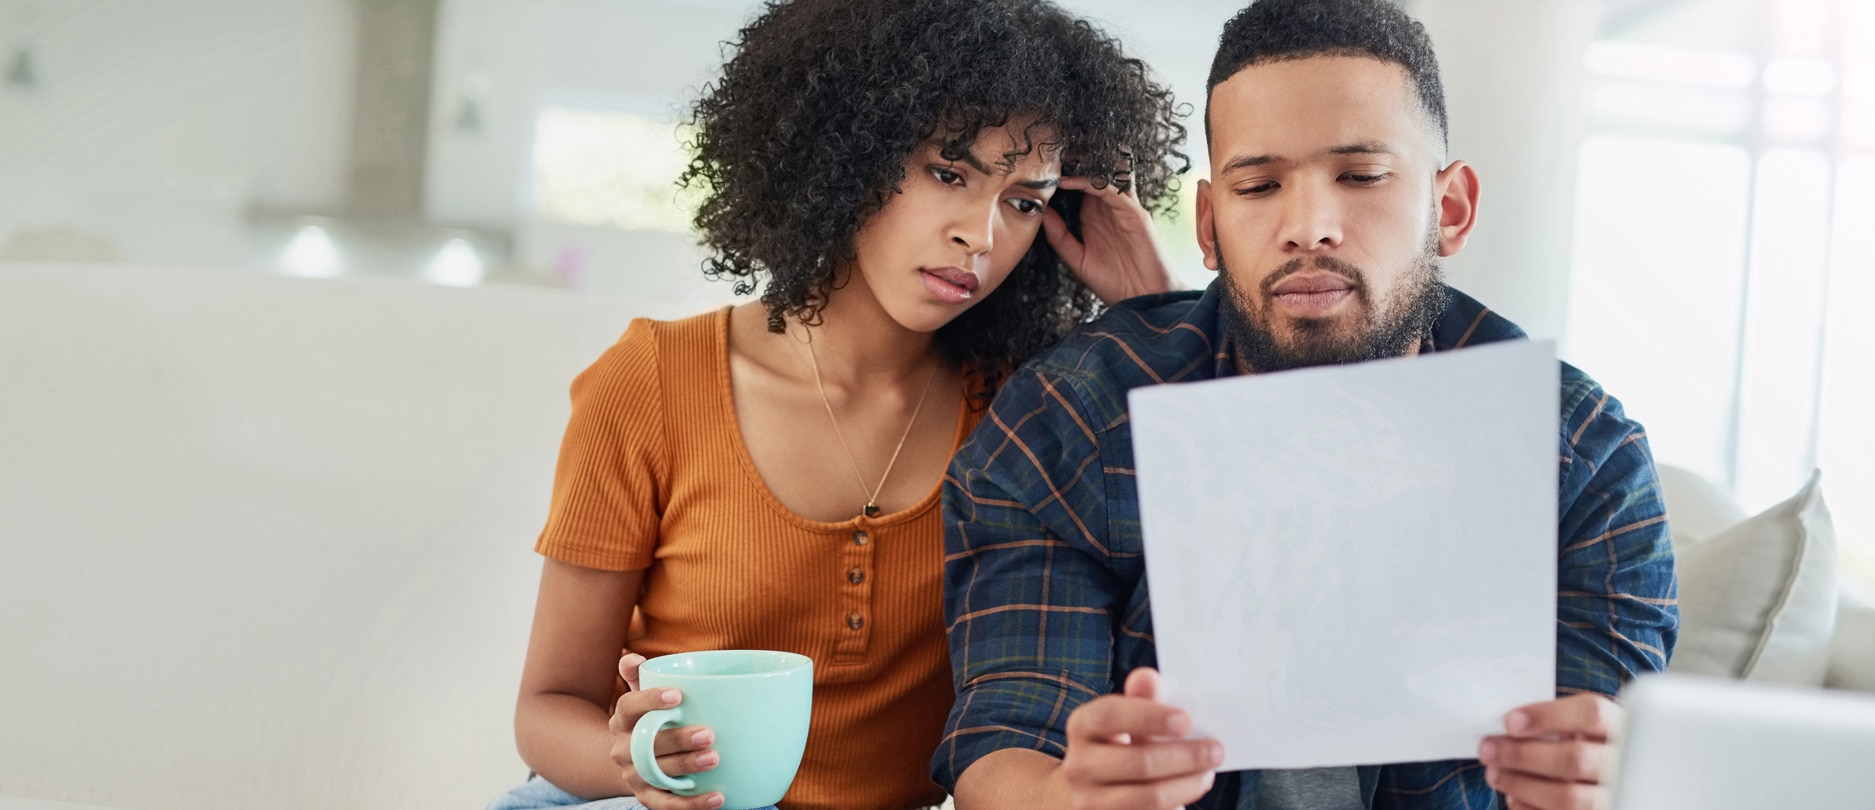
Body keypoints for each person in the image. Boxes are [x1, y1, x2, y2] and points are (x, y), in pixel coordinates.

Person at [934, 1, 1678, 808]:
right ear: (1211, 228)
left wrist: (1609, 780)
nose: (1309, 227)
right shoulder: (1072, 418)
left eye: (1360, 177)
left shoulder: (1582, 454)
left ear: (1451, 210)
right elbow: (1006, 741)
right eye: (1260, 186)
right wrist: (1070, 797)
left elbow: (1612, 741)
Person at [486, 1, 1188, 809]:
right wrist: (633, 758)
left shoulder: (1026, 406)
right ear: (847, 153)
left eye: (1024, 202)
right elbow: (548, 709)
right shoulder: (650, 383)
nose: (981, 235)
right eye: (948, 173)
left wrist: (1153, 307)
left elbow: (1209, 553)